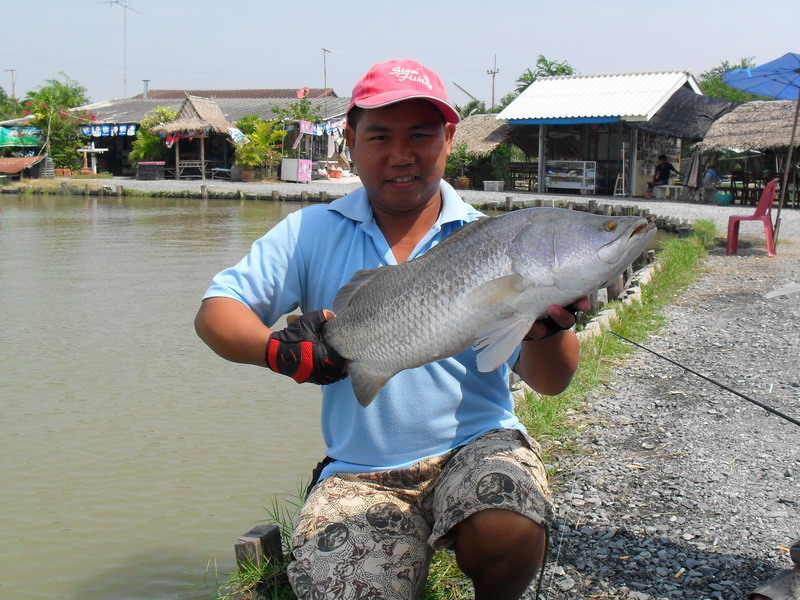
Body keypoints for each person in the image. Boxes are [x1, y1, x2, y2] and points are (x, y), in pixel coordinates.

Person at [194, 58, 589, 600]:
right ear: (350, 140)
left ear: (449, 138)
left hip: (477, 444)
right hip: (360, 470)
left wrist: (545, 331)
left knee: (509, 524)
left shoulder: (495, 239)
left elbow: (552, 381)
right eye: (380, 136)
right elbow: (216, 312)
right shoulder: (311, 232)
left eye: (421, 135)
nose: (401, 155)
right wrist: (278, 351)